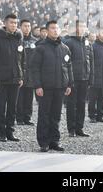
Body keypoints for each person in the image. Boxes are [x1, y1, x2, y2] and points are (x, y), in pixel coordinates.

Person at [30, 20, 73, 152]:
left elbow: (69, 67)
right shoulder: (41, 48)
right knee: (44, 115)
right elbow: (34, 68)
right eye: (52, 28)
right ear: (47, 31)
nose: (55, 30)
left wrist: (69, 84)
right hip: (45, 88)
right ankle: (44, 142)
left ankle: (54, 140)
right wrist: (38, 86)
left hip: (60, 87)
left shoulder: (64, 48)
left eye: (57, 28)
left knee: (56, 115)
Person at [0, 14, 25, 142]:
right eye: (11, 23)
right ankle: (1, 133)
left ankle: (10, 132)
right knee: (1, 107)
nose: (14, 25)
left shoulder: (19, 39)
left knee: (12, 107)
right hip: (2, 78)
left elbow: (22, 60)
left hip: (15, 78)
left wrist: (21, 76)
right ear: (5, 23)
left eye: (16, 23)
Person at [64, 20, 94, 137]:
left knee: (82, 104)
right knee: (71, 104)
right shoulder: (68, 42)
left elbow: (91, 61)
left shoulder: (87, 42)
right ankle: (71, 129)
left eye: (84, 26)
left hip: (85, 78)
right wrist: (68, 80)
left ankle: (79, 128)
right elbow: (66, 63)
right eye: (80, 26)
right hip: (73, 79)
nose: (82, 28)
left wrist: (91, 78)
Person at [16, 19, 37, 125]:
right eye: (25, 26)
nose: (27, 28)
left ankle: (27, 118)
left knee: (29, 97)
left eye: (29, 26)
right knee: (19, 97)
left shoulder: (35, 41)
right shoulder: (17, 39)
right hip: (19, 72)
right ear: (20, 27)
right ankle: (19, 118)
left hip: (31, 73)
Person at [88, 27, 103, 123]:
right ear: (98, 34)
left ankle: (100, 115)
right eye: (102, 33)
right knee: (93, 98)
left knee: (102, 98)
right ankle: (92, 115)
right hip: (95, 76)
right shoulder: (93, 46)